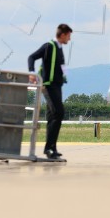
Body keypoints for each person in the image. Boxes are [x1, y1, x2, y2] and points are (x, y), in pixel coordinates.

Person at [28, 23, 73, 160]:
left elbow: (62, 64)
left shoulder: (59, 48)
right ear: (63, 34)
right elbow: (32, 57)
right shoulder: (49, 46)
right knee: (58, 113)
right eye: (68, 36)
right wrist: (31, 73)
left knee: (53, 116)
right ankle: (49, 147)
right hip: (48, 85)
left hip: (57, 86)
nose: (69, 39)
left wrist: (65, 75)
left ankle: (51, 148)